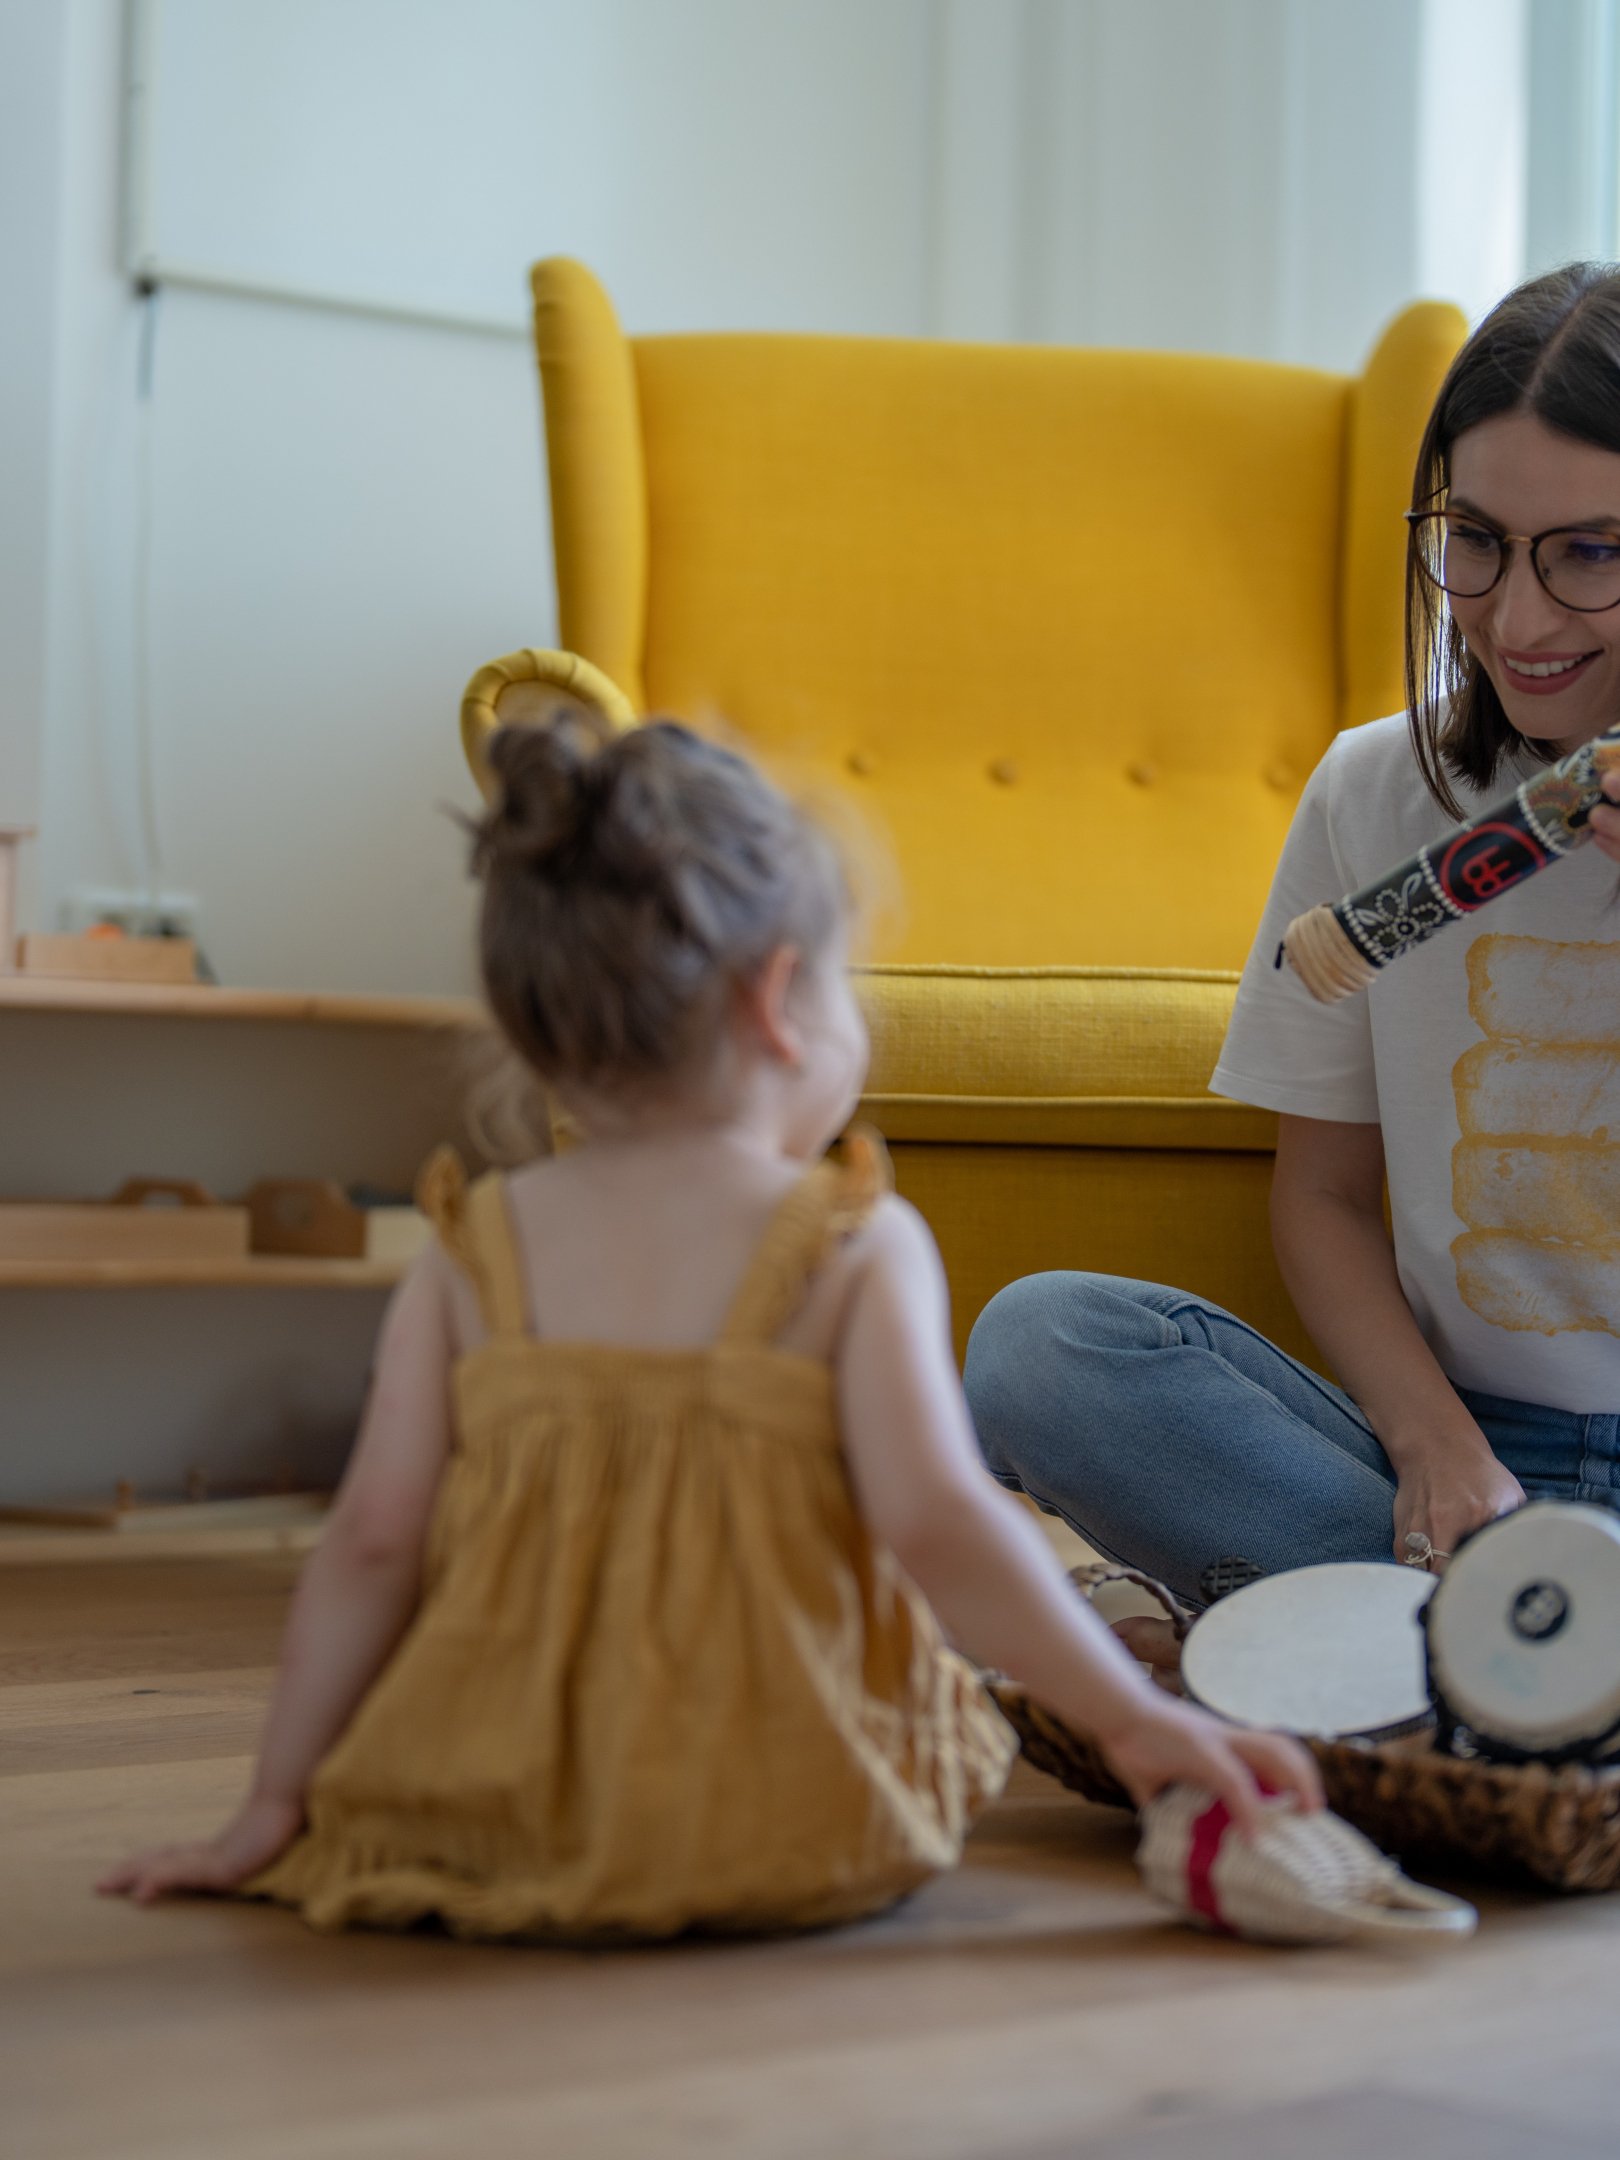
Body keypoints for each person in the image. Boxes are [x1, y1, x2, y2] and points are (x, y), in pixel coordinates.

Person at [100, 713, 1316, 1938]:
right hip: (790, 1819)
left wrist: (273, 1807)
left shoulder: (471, 1252)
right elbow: (941, 1524)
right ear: (780, 1000)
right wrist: (1133, 1720)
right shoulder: (850, 1243)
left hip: (497, 1812)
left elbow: (371, 1544)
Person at [964, 260, 1620, 1636]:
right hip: (1458, 1464)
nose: (1514, 619)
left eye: (1592, 553)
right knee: (1042, 1346)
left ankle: (1450, 1666)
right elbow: (1321, 1198)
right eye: (1475, 538)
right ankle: (1510, 1655)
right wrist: (1437, 1451)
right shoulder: (1376, 793)